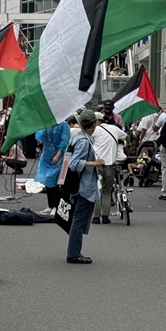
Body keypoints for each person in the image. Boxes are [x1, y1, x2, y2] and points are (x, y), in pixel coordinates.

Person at [66, 109, 104, 264]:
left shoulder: (81, 139)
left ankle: (75, 252)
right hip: (83, 187)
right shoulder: (83, 142)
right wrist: (94, 163)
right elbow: (74, 163)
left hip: (80, 185)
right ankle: (73, 253)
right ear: (94, 124)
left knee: (79, 219)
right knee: (79, 220)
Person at [90, 112, 127, 224]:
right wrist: (126, 145)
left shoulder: (94, 130)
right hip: (110, 166)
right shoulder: (114, 129)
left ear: (97, 121)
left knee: (97, 190)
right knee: (107, 191)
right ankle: (105, 216)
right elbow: (126, 136)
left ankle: (96, 217)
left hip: (97, 165)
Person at [35, 120, 71, 215]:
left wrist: (58, 155)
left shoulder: (63, 125)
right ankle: (50, 206)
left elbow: (64, 141)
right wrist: (44, 129)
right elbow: (39, 137)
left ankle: (56, 206)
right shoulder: (47, 124)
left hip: (58, 156)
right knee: (47, 180)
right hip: (46, 155)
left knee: (55, 181)